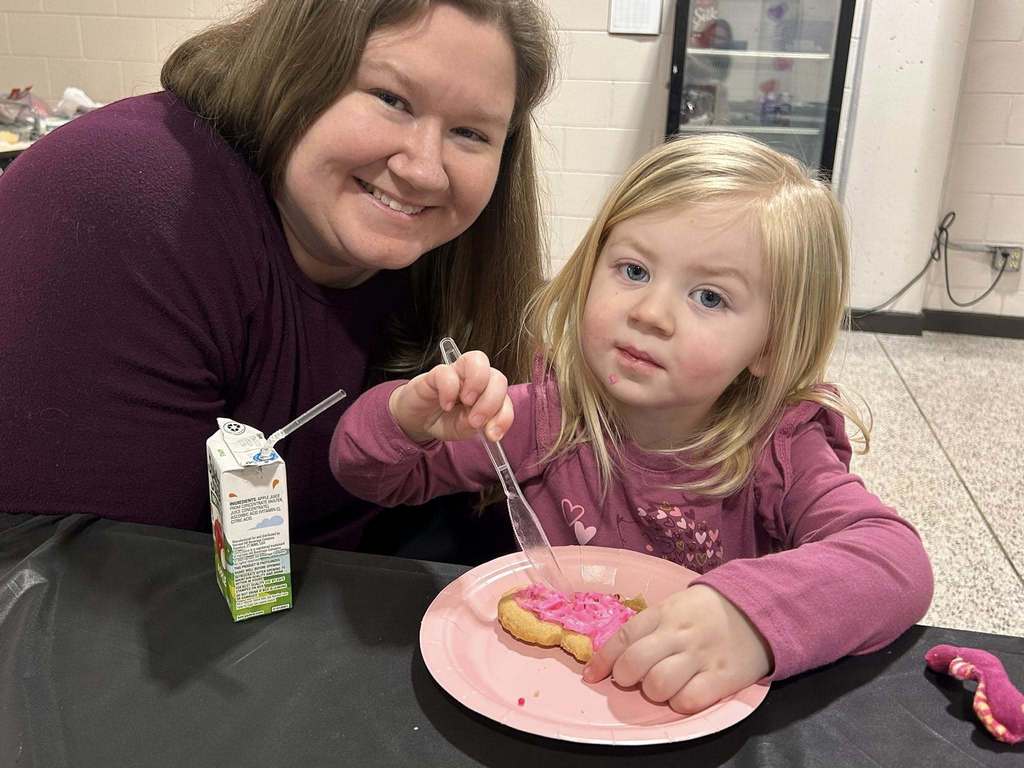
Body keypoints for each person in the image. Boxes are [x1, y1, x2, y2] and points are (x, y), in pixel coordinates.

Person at [329, 134, 934, 713]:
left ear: (771, 346)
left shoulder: (780, 451)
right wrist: (405, 419)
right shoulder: (542, 417)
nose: (650, 314)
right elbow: (371, 478)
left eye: (710, 297)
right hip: (555, 701)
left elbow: (894, 563)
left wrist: (750, 618)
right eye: (634, 271)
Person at [0, 0, 555, 555]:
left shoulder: (455, 261)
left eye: (470, 133)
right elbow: (88, 583)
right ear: (298, 68)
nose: (424, 170)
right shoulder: (128, 200)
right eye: (390, 99)